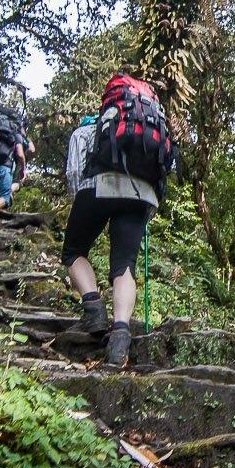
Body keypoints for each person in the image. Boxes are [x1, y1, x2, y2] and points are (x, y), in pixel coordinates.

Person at [62, 113, 155, 367]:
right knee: (125, 264)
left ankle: (95, 311)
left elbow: (74, 172)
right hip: (140, 194)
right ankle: (120, 337)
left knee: (74, 252)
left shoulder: (83, 132)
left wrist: (79, 204)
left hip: (95, 188)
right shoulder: (142, 130)